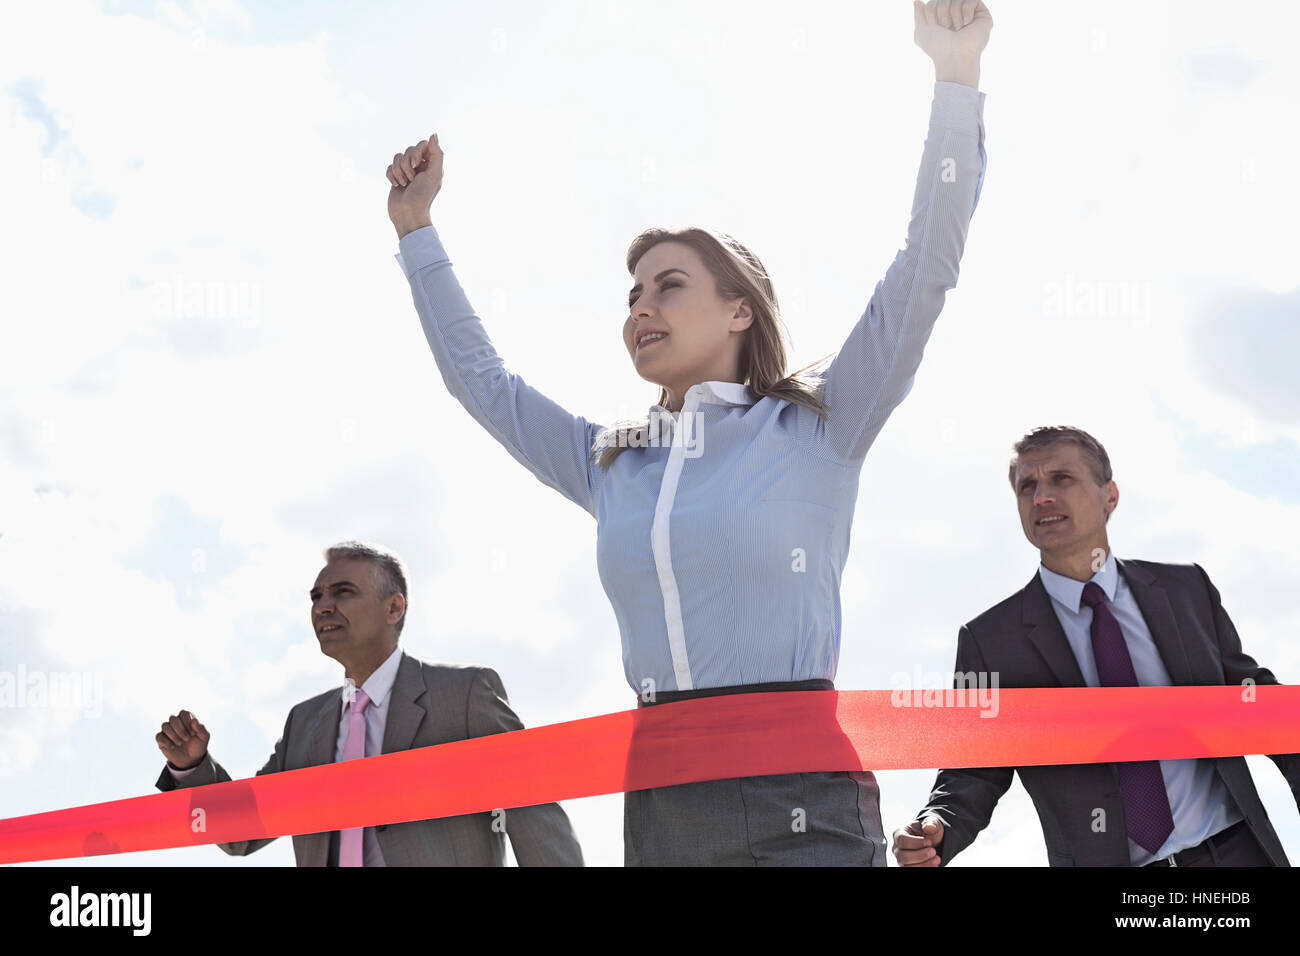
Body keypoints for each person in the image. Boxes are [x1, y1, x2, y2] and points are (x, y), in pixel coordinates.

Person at [385, 0, 992, 865]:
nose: (641, 308)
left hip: (803, 796)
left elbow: (924, 268)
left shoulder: (818, 423)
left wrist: (955, 75)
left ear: (740, 307)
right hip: (663, 801)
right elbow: (481, 385)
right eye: (630, 296)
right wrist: (416, 232)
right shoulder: (609, 463)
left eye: (668, 286)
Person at [892, 426, 1300, 867]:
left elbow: (1260, 705)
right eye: (1027, 486)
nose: (1041, 497)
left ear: (1110, 495)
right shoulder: (991, 640)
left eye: (1061, 479)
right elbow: (972, 768)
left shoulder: (1187, 589)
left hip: (1237, 854)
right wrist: (936, 827)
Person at [154, 541, 584, 866]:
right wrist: (193, 767)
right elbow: (242, 833)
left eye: (342, 592)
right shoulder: (304, 722)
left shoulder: (465, 696)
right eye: (316, 597)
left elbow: (535, 819)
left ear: (394, 607)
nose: (323, 607)